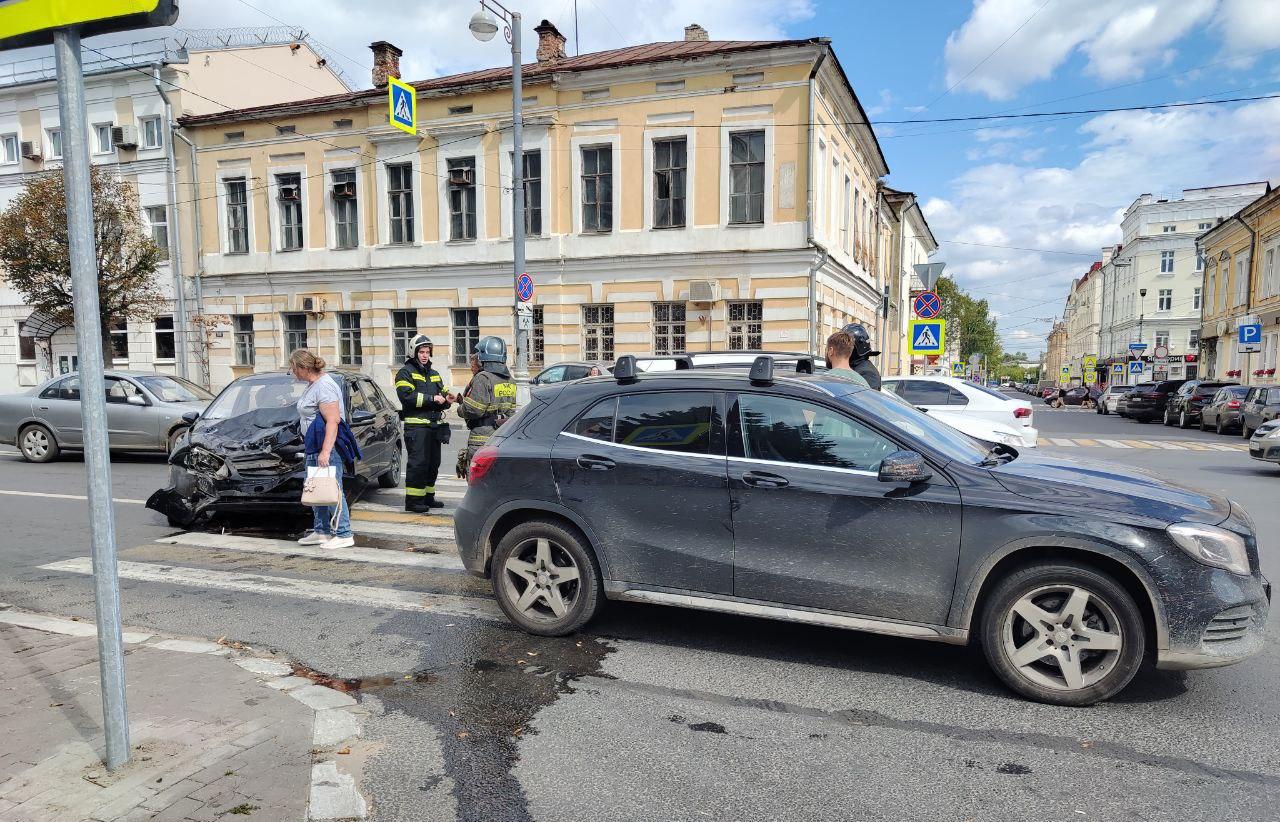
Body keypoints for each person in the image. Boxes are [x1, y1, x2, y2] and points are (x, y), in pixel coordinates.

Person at [290, 349, 354, 550]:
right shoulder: (313, 384)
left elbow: (333, 421)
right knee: (316, 488)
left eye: (293, 368)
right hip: (313, 445)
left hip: (326, 446)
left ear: (303, 367)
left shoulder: (324, 386)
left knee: (334, 489)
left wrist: (326, 451)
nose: (292, 372)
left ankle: (344, 533)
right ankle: (322, 531)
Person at [395, 334, 452, 512]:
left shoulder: (434, 374)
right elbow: (406, 397)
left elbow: (442, 393)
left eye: (427, 352)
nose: (425, 355)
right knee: (418, 464)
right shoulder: (405, 372)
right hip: (416, 427)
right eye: (422, 352)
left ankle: (428, 498)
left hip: (433, 427)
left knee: (433, 463)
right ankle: (413, 501)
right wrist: (432, 398)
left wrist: (447, 399)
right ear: (414, 352)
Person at [456, 336, 518, 478]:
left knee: (477, 482)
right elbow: (511, 411)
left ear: (483, 356)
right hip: (501, 438)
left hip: (481, 439)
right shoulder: (510, 380)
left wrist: (460, 409)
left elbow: (473, 409)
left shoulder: (483, 377)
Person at [839, 323, 882, 389]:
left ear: (856, 348)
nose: (842, 348)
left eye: (846, 344)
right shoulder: (854, 367)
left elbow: (865, 397)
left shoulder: (867, 373)